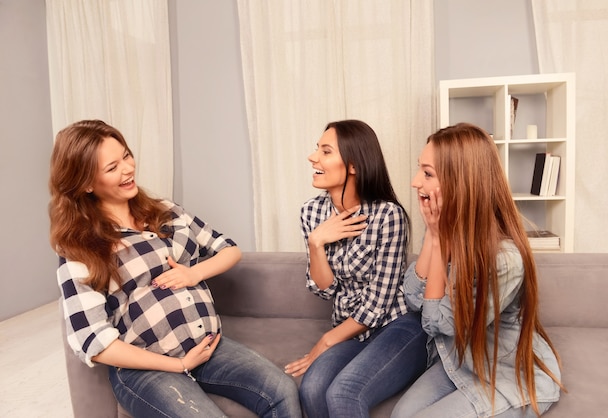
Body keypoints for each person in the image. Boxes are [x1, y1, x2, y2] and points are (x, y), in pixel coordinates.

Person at [49, 119, 301, 418]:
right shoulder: (79, 246)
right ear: (87, 183)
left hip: (207, 345)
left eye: (126, 156)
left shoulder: (165, 210)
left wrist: (193, 273)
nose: (128, 169)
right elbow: (93, 340)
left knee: (282, 392)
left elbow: (228, 249)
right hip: (145, 367)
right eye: (112, 167)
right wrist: (178, 365)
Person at [391, 123, 564, 418]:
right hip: (462, 361)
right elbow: (413, 297)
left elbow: (437, 323)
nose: (415, 181)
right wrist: (434, 236)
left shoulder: (505, 259)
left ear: (460, 181)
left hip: (507, 374)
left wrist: (439, 238)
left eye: (427, 173)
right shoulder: (449, 227)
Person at [284, 120, 428, 418]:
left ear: (353, 165)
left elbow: (378, 306)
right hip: (349, 329)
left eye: (325, 151)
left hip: (396, 324)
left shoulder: (388, 216)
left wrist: (325, 340)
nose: (313, 158)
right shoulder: (311, 212)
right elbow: (325, 290)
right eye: (317, 150)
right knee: (310, 389)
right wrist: (316, 242)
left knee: (343, 392)